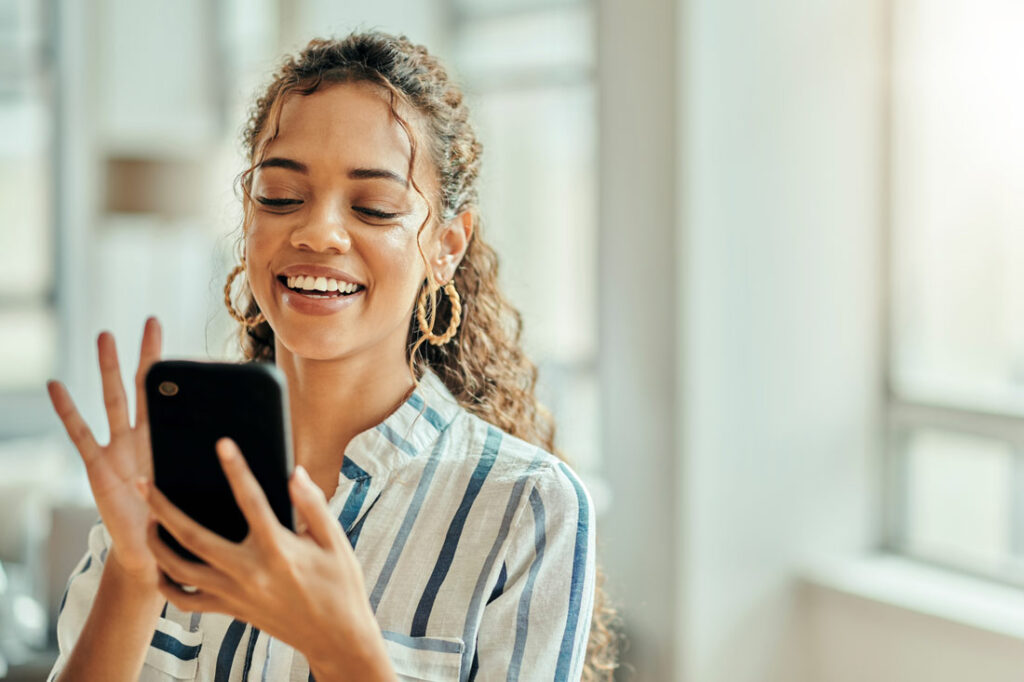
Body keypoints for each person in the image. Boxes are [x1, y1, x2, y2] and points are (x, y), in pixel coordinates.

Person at [45, 31, 619, 681]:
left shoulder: (527, 507)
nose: (318, 232)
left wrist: (343, 650)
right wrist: (132, 572)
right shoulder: (173, 469)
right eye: (280, 196)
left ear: (447, 246)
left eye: (374, 207)